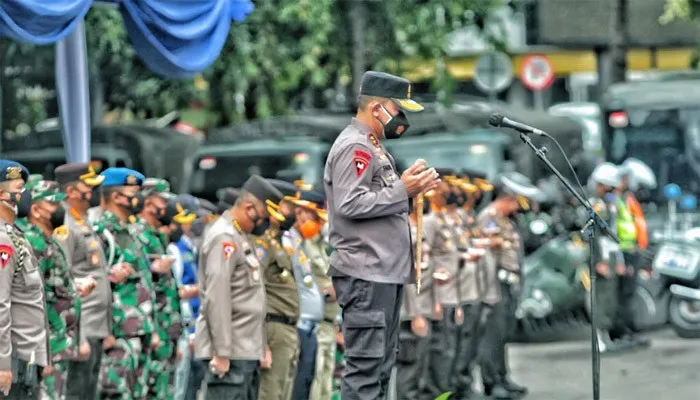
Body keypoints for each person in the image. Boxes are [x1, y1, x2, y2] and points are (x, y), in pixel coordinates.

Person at [323, 70, 439, 400]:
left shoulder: (372, 147)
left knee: (380, 369)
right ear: (377, 108)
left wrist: (407, 186)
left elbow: (374, 199)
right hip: (365, 274)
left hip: (381, 273)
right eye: (398, 109)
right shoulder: (354, 147)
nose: (401, 118)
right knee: (365, 370)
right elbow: (350, 204)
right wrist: (404, 189)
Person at [195, 175, 283, 400]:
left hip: (245, 349)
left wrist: (261, 345)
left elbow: (252, 299)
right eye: (260, 218)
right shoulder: (224, 237)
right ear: (248, 207)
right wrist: (221, 352)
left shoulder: (240, 236)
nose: (261, 225)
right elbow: (217, 297)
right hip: (231, 352)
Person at [22, 180, 96, 400]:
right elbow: (30, 300)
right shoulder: (34, 243)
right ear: (36, 210)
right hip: (46, 348)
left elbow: (52, 288)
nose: (60, 210)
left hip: (58, 343)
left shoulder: (48, 241)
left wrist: (75, 288)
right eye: (53, 204)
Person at [94, 167, 157, 400]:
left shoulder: (131, 230)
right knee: (115, 393)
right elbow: (98, 286)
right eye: (133, 192)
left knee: (136, 394)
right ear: (117, 197)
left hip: (138, 329)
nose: (139, 198)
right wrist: (105, 330)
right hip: (117, 332)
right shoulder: (102, 232)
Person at [477, 172, 539, 400]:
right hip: (495, 284)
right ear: (508, 198)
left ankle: (502, 376)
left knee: (502, 334)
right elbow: (486, 256)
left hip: (508, 282)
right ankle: (491, 382)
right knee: (492, 335)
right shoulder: (489, 217)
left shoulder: (506, 221)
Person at [54, 162, 112, 400]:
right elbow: (63, 280)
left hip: (97, 324)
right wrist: (79, 335)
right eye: (88, 187)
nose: (94, 192)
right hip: (82, 325)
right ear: (71, 192)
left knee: (90, 390)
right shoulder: (65, 226)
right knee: (77, 392)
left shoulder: (83, 220)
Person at [0, 161, 49, 400]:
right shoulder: (3, 240)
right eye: (18, 189)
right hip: (13, 360)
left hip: (26, 357)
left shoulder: (14, 234)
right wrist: (2, 364)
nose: (23, 196)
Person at [137, 178, 185, 399]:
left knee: (165, 389)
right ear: (148, 203)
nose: (166, 208)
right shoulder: (139, 235)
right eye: (161, 201)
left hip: (167, 328)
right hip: (151, 327)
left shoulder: (156, 236)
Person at [255, 179, 300, 400]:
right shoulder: (263, 245)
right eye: (290, 207)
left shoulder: (281, 243)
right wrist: (261, 342)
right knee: (270, 392)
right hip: (273, 327)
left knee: (283, 391)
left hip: (288, 329)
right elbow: (255, 290)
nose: (294, 213)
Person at [283, 189, 327, 400]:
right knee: (296, 383)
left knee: (307, 381)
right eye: (312, 217)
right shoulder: (287, 242)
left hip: (311, 325)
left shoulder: (300, 244)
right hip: (298, 323)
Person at [298, 190, 341, 400]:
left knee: (325, 381)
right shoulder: (301, 245)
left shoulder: (322, 244)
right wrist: (327, 292)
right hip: (315, 323)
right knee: (314, 381)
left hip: (330, 322)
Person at [170, 195, 207, 400]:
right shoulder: (176, 248)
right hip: (182, 325)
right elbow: (176, 290)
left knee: (189, 387)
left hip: (192, 327)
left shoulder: (191, 246)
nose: (194, 223)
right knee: (179, 388)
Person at [396, 196, 433, 400]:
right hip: (411, 310)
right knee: (410, 365)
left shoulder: (417, 228)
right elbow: (407, 276)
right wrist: (415, 314)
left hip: (423, 303)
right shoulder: (404, 232)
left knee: (421, 364)